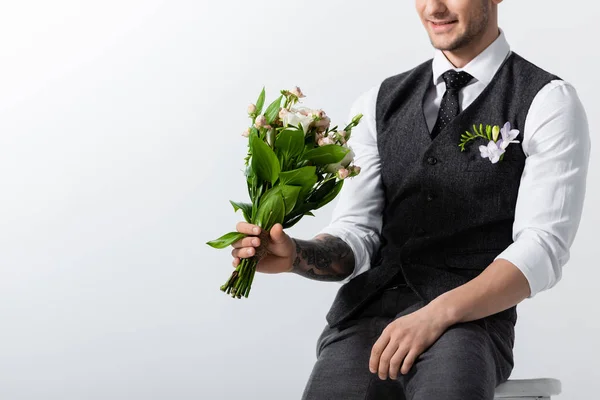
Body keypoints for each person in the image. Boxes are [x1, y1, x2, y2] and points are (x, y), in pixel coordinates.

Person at [230, 0, 591, 398]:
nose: (434, 7)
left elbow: (542, 247)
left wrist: (438, 314)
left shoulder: (547, 100)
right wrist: (295, 254)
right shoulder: (378, 102)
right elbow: (358, 234)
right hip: (366, 315)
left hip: (469, 322)